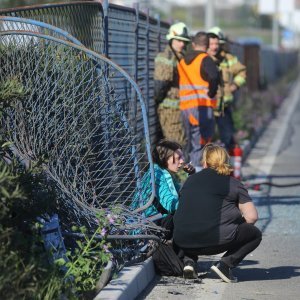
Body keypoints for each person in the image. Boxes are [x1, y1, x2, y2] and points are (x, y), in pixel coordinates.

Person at [173, 143, 262, 281]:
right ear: (225, 162)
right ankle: (225, 265)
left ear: (205, 163)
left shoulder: (190, 181)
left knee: (190, 222)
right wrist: (236, 225)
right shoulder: (233, 183)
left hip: (183, 241)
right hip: (216, 242)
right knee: (254, 234)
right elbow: (252, 217)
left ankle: (189, 262)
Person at [131, 139, 195, 238]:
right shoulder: (157, 175)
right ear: (165, 159)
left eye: (182, 156)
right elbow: (171, 204)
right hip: (147, 226)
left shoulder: (163, 171)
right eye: (178, 157)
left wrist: (191, 175)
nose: (182, 161)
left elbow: (182, 194)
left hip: (154, 220)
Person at [177, 31, 219, 172]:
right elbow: (214, 77)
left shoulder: (182, 61)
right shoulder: (205, 59)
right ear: (207, 46)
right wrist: (212, 93)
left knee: (191, 143)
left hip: (185, 108)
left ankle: (191, 174)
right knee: (203, 143)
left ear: (193, 44)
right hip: (202, 107)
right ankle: (200, 175)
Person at [207, 27, 246, 151]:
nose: (215, 47)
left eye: (218, 44)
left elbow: (242, 72)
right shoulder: (203, 59)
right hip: (208, 106)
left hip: (224, 107)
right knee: (208, 140)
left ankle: (227, 167)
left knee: (228, 137)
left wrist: (234, 85)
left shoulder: (228, 59)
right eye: (211, 44)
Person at [154, 22, 190, 146]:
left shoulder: (182, 57)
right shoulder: (166, 57)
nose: (182, 44)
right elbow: (161, 85)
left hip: (182, 108)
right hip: (170, 110)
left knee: (180, 143)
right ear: (171, 39)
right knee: (176, 145)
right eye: (179, 40)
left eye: (184, 41)